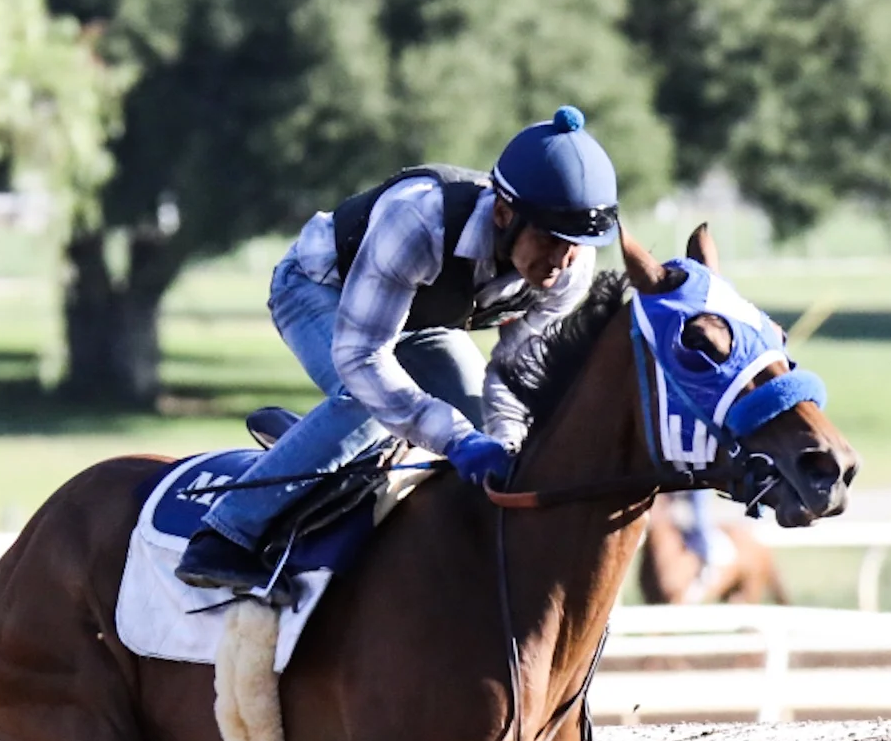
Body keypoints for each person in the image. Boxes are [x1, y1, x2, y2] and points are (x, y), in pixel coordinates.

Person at [174, 106, 620, 596]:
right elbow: (363, 358)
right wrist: (454, 440)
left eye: (574, 243)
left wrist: (504, 440)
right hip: (319, 292)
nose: (560, 259)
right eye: (549, 238)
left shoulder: (573, 270)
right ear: (503, 213)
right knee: (364, 403)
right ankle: (226, 534)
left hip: (422, 323)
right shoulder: (418, 221)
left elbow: (516, 376)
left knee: (485, 427)